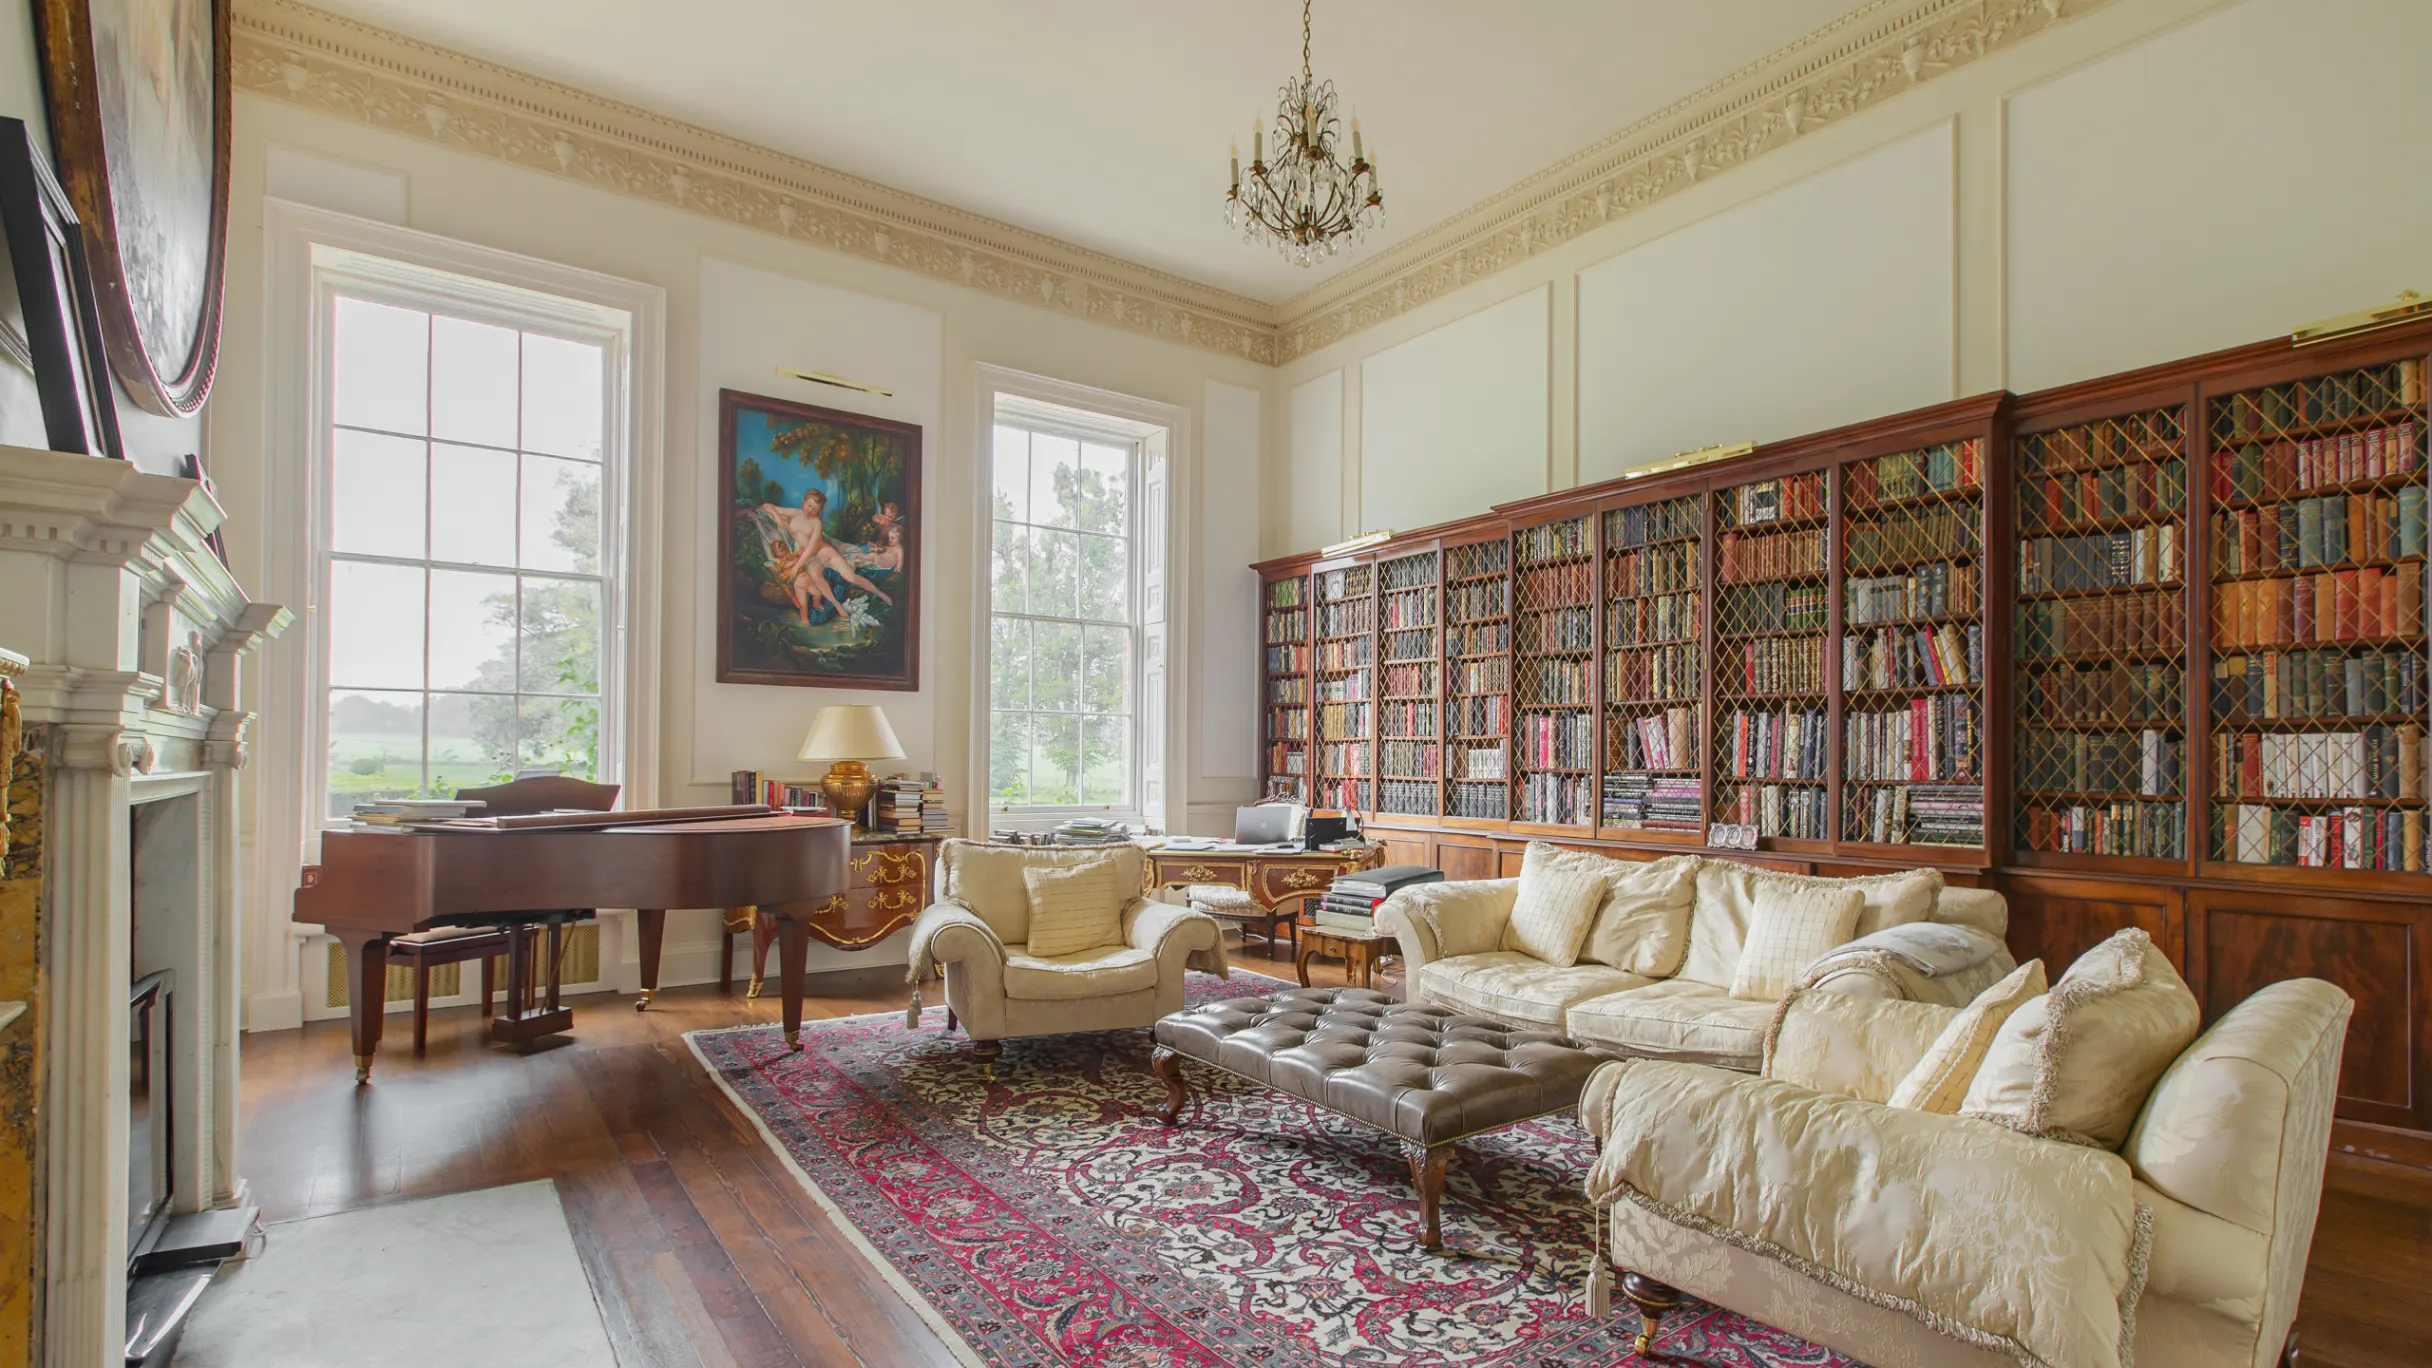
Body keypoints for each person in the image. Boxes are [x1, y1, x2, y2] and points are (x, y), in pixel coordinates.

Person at [761, 489, 892, 624]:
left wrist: (797, 566)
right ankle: (837, 605)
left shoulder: (817, 523)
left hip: (823, 552)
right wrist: (777, 517)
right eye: (809, 505)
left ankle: (879, 593)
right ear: (804, 501)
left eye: (815, 509)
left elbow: (812, 548)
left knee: (851, 577)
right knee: (816, 576)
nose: (810, 510)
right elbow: (766, 506)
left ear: (819, 510)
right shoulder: (794, 513)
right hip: (810, 557)